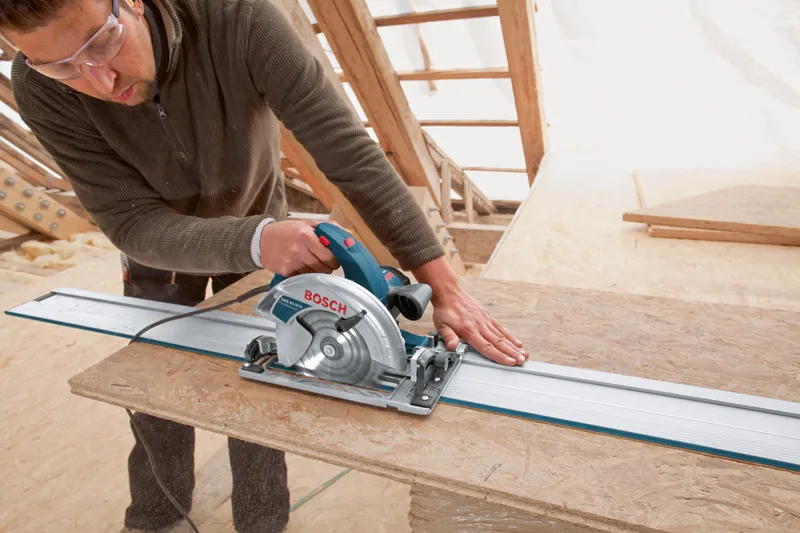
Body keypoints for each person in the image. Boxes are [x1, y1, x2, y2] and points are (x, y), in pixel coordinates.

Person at [1, 0, 529, 531]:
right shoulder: (38, 86)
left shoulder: (239, 19)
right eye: (62, 66)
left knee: (267, 374)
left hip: (260, 223)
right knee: (154, 384)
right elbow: (130, 224)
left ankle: (261, 519)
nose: (98, 77)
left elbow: (349, 152)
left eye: (103, 42)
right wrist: (252, 241)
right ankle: (156, 510)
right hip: (162, 250)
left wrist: (443, 286)